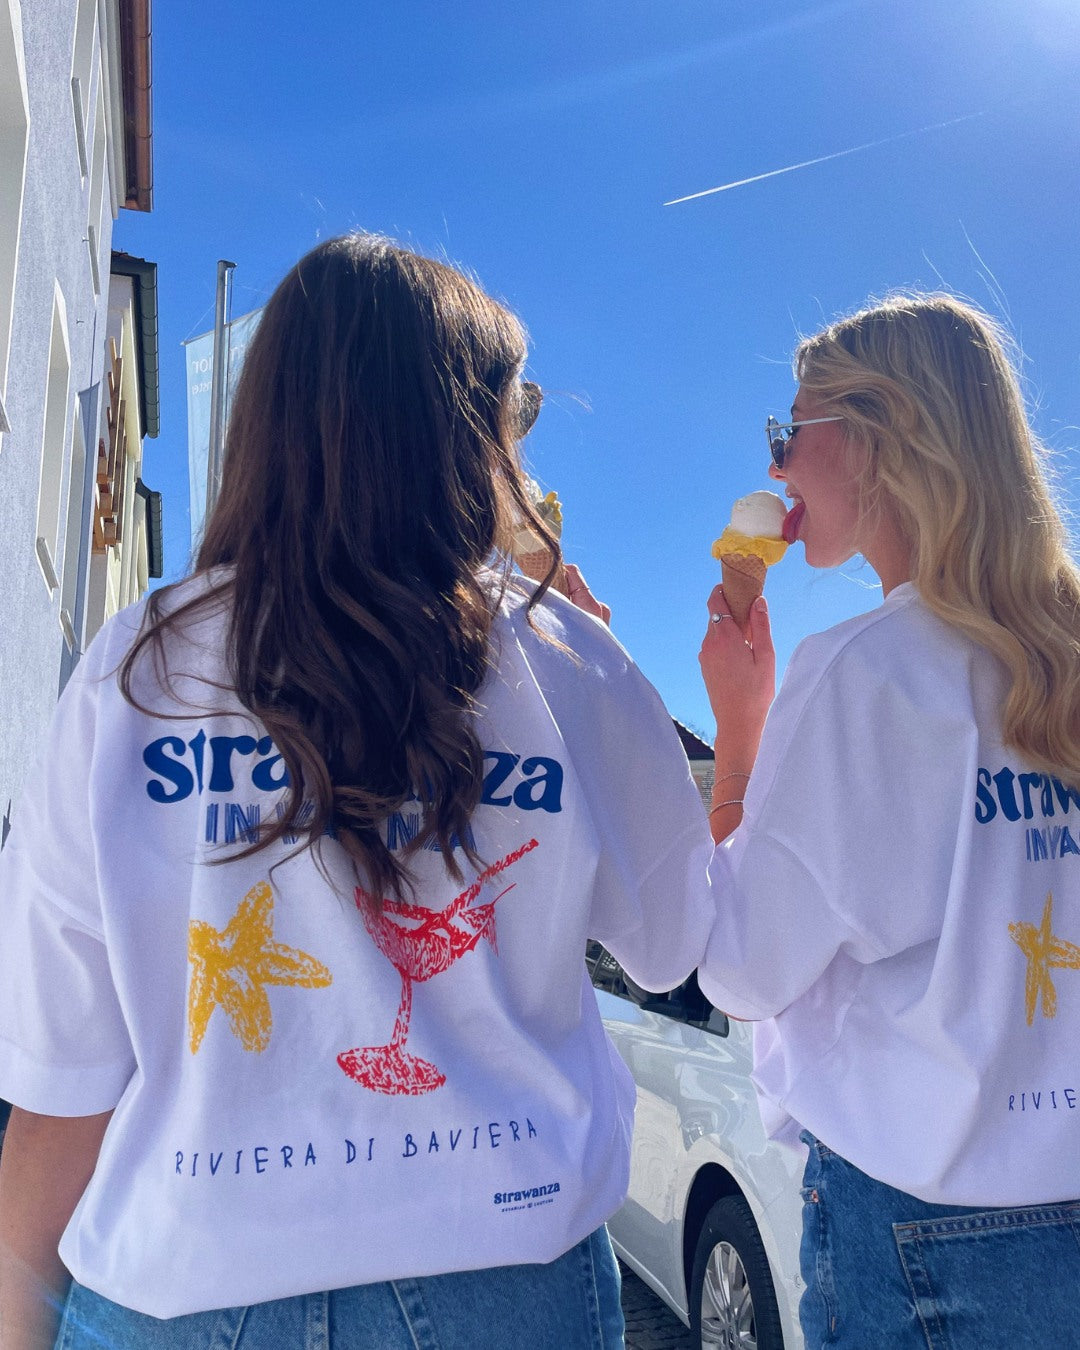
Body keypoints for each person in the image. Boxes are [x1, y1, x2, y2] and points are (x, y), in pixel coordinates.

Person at [0, 234, 716, 1348]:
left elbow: (60, 1088)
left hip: (185, 1281)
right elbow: (675, 948)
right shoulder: (570, 663)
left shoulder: (133, 672)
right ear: (466, 435)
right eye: (514, 418)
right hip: (507, 1275)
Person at [696, 292, 1080, 1348]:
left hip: (930, 1227)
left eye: (791, 433)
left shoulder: (861, 673)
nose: (775, 466)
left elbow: (741, 969)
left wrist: (739, 732)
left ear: (876, 440)